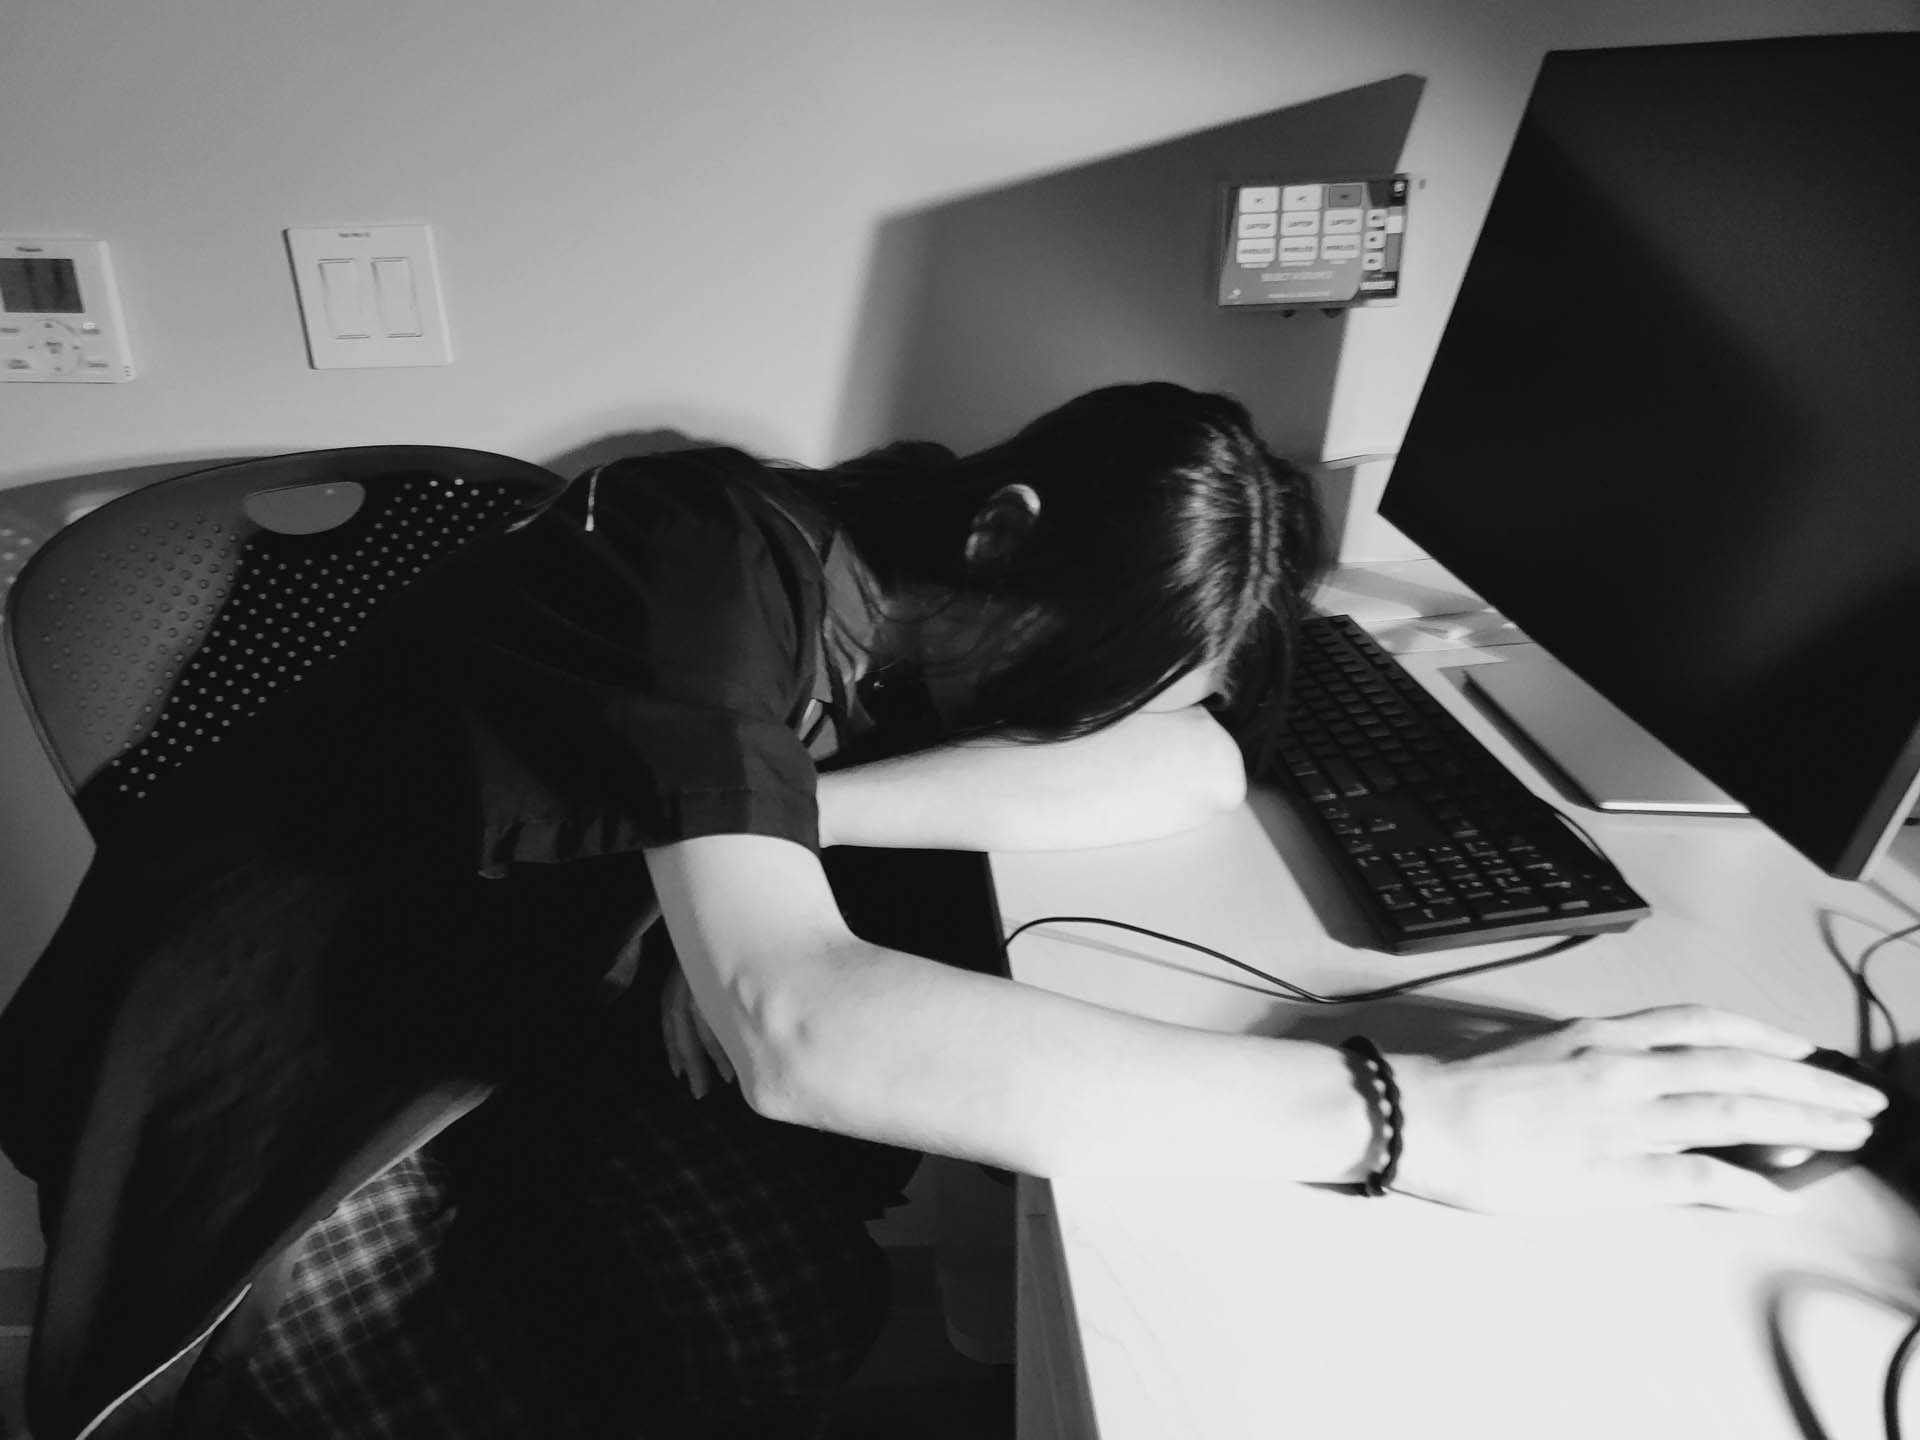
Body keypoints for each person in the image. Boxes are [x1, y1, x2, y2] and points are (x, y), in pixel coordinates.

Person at [0, 382, 1886, 1439]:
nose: (1056, 731)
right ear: (1001, 539)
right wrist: (1421, 1123)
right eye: (1067, 681)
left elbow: (1187, 770)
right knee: (419, 1382)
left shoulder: (907, 558)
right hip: (290, 1034)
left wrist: (764, 824)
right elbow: (803, 1028)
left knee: (766, 1309)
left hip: (522, 982)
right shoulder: (703, 553)